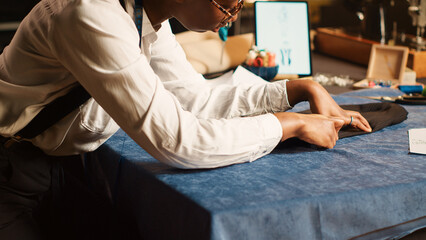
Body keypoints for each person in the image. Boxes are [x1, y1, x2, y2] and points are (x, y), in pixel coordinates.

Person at [0, 0, 372, 239]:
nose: (235, 13)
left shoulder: (145, 22)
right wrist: (289, 124)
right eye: (229, 4)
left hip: (64, 170)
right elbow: (178, 141)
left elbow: (199, 98)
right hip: (10, 174)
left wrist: (296, 90)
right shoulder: (92, 16)